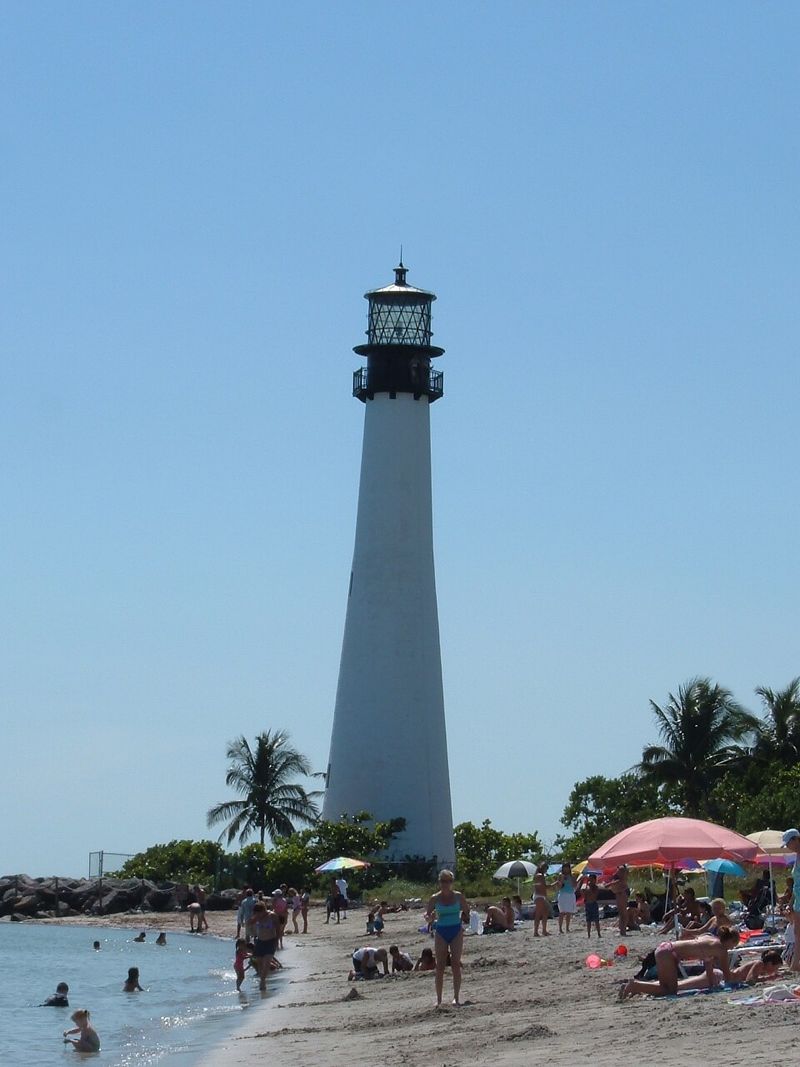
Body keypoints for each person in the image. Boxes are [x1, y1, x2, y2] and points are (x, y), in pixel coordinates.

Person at [619, 927, 740, 998]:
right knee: (669, 990)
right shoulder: (721, 949)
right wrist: (741, 984)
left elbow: (709, 969)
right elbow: (727, 976)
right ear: (731, 941)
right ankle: (635, 985)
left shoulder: (710, 938)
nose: (732, 948)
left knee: (665, 987)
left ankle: (637, 987)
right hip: (668, 954)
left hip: (666, 948)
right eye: (733, 945)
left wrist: (713, 984)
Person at [425, 869, 469, 1007]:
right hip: (441, 931)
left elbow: (467, 911)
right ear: (440, 882)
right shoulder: (434, 898)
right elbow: (427, 915)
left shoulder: (458, 896)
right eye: (443, 881)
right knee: (440, 965)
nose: (446, 884)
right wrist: (429, 918)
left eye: (448, 881)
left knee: (455, 963)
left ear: (452, 882)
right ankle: (439, 999)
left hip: (456, 930)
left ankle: (456, 997)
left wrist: (464, 919)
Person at [251, 901, 279, 990]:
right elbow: (248, 923)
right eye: (256, 913)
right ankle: (262, 978)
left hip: (270, 941)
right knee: (259, 962)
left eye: (259, 913)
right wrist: (255, 918)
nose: (258, 915)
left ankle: (262, 981)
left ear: (263, 910)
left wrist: (277, 941)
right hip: (260, 941)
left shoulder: (272, 916)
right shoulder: (256, 917)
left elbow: (278, 928)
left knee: (267, 962)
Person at [783, 828, 800, 972]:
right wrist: (791, 902)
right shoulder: (797, 857)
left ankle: (795, 963)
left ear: (795, 840)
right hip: (798, 898)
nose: (788, 847)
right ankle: (795, 963)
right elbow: (796, 884)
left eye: (788, 843)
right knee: (797, 932)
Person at [606, 866, 629, 937]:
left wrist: (609, 884)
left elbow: (619, 881)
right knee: (621, 913)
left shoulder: (622, 873)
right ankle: (622, 930)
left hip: (622, 893)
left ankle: (623, 931)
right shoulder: (620, 873)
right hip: (619, 893)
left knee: (623, 913)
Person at [556, 863, 577, 933]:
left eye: (567, 867)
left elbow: (575, 886)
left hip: (570, 894)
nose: (566, 869)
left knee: (569, 912)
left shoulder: (572, 876)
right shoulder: (560, 875)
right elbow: (559, 887)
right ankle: (560, 928)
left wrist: (573, 879)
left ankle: (567, 928)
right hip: (563, 894)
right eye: (565, 867)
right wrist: (562, 880)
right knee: (562, 912)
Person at [580, 873, 601, 938]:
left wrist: (589, 889)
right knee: (588, 920)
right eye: (590, 879)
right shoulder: (586, 886)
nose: (590, 881)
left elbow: (594, 896)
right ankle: (588, 934)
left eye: (592, 879)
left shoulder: (596, 887)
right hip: (587, 904)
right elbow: (583, 895)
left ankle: (599, 933)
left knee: (596, 920)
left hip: (593, 904)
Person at [531, 863, 550, 937]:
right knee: (539, 914)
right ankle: (536, 932)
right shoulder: (540, 876)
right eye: (546, 869)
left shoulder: (537, 875)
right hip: (539, 896)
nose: (546, 870)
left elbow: (540, 886)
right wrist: (555, 884)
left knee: (544, 913)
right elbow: (544, 886)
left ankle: (543, 931)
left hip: (540, 896)